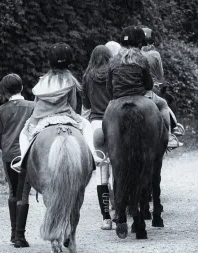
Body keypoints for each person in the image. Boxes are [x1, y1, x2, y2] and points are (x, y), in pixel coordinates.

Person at [11, 43, 103, 173]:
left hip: (42, 118)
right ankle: (93, 155)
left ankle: (21, 161)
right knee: (87, 126)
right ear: (69, 62)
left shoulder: (42, 81)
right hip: (65, 115)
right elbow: (73, 105)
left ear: (50, 61)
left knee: (23, 134)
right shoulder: (70, 81)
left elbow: (36, 103)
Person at [107, 26, 182, 148]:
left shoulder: (113, 60)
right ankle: (168, 137)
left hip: (118, 97)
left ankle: (106, 146)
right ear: (139, 42)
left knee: (106, 116)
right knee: (163, 104)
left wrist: (116, 95)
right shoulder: (141, 58)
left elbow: (109, 87)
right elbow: (149, 84)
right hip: (141, 95)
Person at [0, 73, 34, 246]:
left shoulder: (1, 110)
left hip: (9, 156)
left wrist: (6, 148)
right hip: (26, 156)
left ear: (6, 91)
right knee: (23, 193)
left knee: (12, 191)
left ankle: (12, 235)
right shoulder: (32, 106)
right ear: (22, 88)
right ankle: (20, 237)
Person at [82, 45, 114, 230]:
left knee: (102, 172)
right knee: (118, 170)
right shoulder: (114, 73)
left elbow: (85, 105)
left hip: (96, 125)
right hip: (114, 120)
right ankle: (119, 211)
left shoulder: (87, 76)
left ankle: (106, 219)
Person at [141, 27, 185, 137]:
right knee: (169, 100)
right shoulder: (155, 54)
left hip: (133, 86)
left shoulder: (132, 53)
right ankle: (173, 129)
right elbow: (160, 75)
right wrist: (161, 84)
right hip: (151, 87)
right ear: (152, 42)